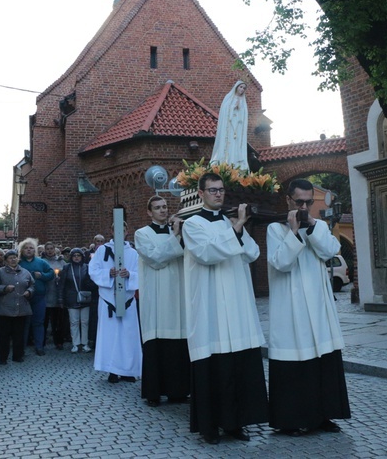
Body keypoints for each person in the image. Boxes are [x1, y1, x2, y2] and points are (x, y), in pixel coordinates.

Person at [182, 172, 268, 444]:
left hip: (237, 303)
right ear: (201, 193)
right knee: (214, 366)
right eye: (212, 190)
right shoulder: (192, 224)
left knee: (237, 365)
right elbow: (206, 254)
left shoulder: (231, 222)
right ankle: (210, 427)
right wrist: (235, 230)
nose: (218, 194)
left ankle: (235, 423)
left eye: (221, 190)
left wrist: (238, 229)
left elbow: (253, 253)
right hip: (210, 307)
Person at [267, 179, 351, 435]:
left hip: (318, 305)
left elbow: (330, 251)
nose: (304, 207)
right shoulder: (275, 229)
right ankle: (290, 419)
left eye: (308, 202)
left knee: (322, 360)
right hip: (290, 307)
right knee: (294, 362)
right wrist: (293, 232)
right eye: (299, 202)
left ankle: (324, 416)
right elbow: (281, 262)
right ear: (288, 201)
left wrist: (312, 225)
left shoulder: (320, 226)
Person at [135, 196, 190, 407]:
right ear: (149, 212)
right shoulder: (142, 234)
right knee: (157, 343)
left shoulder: (178, 233)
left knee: (179, 342)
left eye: (165, 207)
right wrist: (175, 235)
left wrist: (178, 233)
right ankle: (154, 392)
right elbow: (155, 259)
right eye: (157, 208)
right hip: (156, 298)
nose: (162, 211)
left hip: (178, 294)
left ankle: (179, 391)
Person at [89, 221, 140, 383]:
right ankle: (112, 370)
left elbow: (141, 273)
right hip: (108, 299)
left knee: (128, 335)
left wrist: (130, 274)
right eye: (116, 229)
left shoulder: (133, 253)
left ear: (127, 232)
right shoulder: (102, 251)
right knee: (110, 336)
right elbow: (93, 271)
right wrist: (107, 273)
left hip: (127, 299)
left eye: (123, 229)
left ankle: (128, 370)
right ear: (111, 231)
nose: (120, 232)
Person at [0, 249, 34, 364]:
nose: (13, 259)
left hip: (21, 308)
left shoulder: (25, 272)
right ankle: (3, 357)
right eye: (10, 258)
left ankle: (18, 356)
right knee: (3, 335)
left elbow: (32, 285)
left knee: (19, 334)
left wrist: (29, 292)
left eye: (15, 257)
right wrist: (4, 288)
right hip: (4, 308)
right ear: (5, 261)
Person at [18, 238, 54, 356]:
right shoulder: (18, 263)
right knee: (23, 324)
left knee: (38, 322)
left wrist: (42, 275)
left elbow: (51, 273)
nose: (29, 250)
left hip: (39, 297)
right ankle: (21, 348)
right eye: (26, 248)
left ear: (35, 250)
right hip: (22, 298)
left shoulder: (41, 262)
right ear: (21, 250)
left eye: (31, 248)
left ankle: (39, 347)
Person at [57, 248, 95, 353]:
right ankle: (75, 343)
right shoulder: (66, 268)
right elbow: (61, 285)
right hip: (71, 298)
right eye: (74, 255)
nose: (77, 257)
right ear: (71, 257)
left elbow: (92, 282)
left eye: (79, 255)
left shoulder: (87, 268)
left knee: (85, 322)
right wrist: (61, 299)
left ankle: (85, 343)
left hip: (85, 298)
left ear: (82, 257)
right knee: (74, 322)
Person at [209, 80, 249, 170]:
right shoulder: (229, 97)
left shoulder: (243, 101)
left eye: (244, 88)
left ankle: (237, 165)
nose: (242, 89)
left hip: (238, 128)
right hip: (228, 127)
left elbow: (244, 115)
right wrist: (232, 108)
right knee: (228, 144)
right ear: (236, 87)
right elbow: (224, 110)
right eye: (240, 87)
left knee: (236, 145)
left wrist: (240, 110)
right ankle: (225, 164)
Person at [42, 241, 67, 349]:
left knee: (58, 321)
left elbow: (67, 274)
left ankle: (59, 341)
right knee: (44, 321)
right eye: (47, 249)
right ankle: (41, 342)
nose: (50, 251)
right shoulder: (42, 262)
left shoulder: (61, 262)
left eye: (51, 248)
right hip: (46, 295)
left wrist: (60, 276)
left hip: (57, 295)